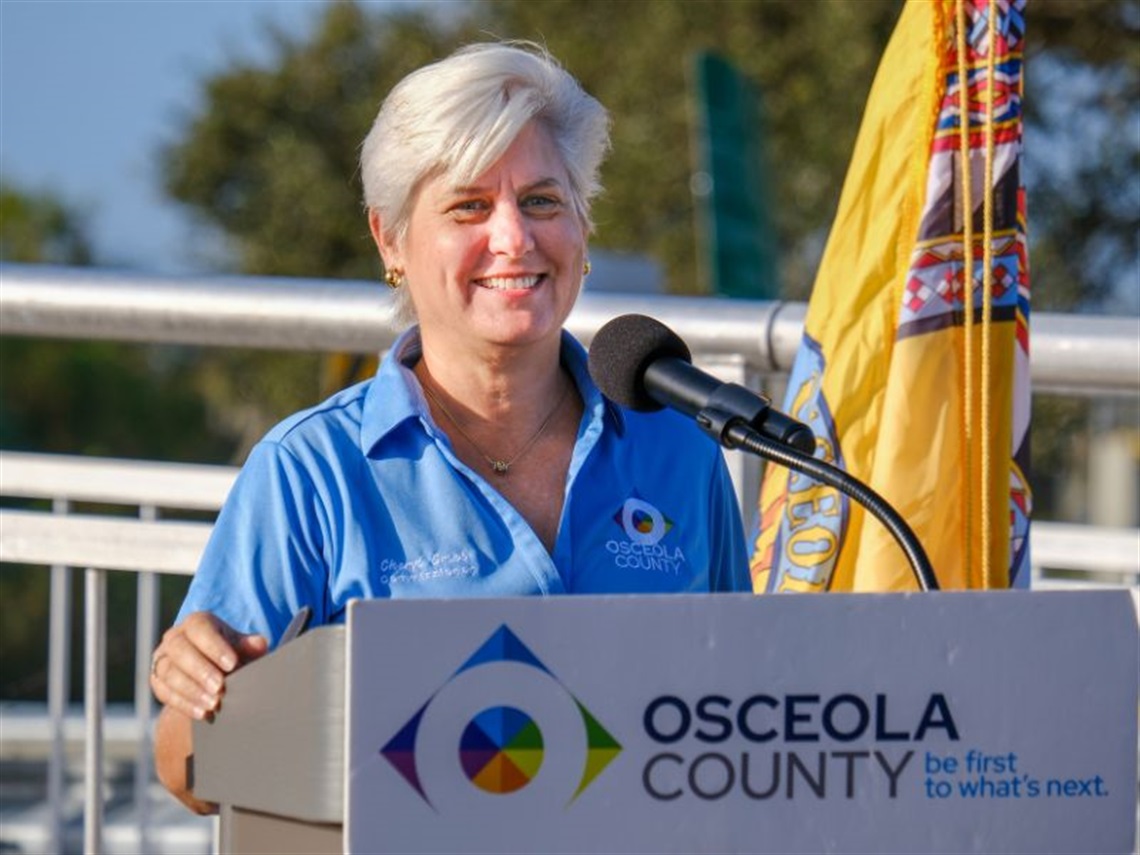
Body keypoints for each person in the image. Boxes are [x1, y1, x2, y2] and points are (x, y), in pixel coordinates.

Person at [150, 41, 751, 813]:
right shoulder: (312, 471)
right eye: (470, 206)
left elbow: (738, 713)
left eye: (542, 201)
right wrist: (202, 685)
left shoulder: (679, 446)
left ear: (582, 226)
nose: (514, 239)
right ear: (390, 240)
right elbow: (190, 774)